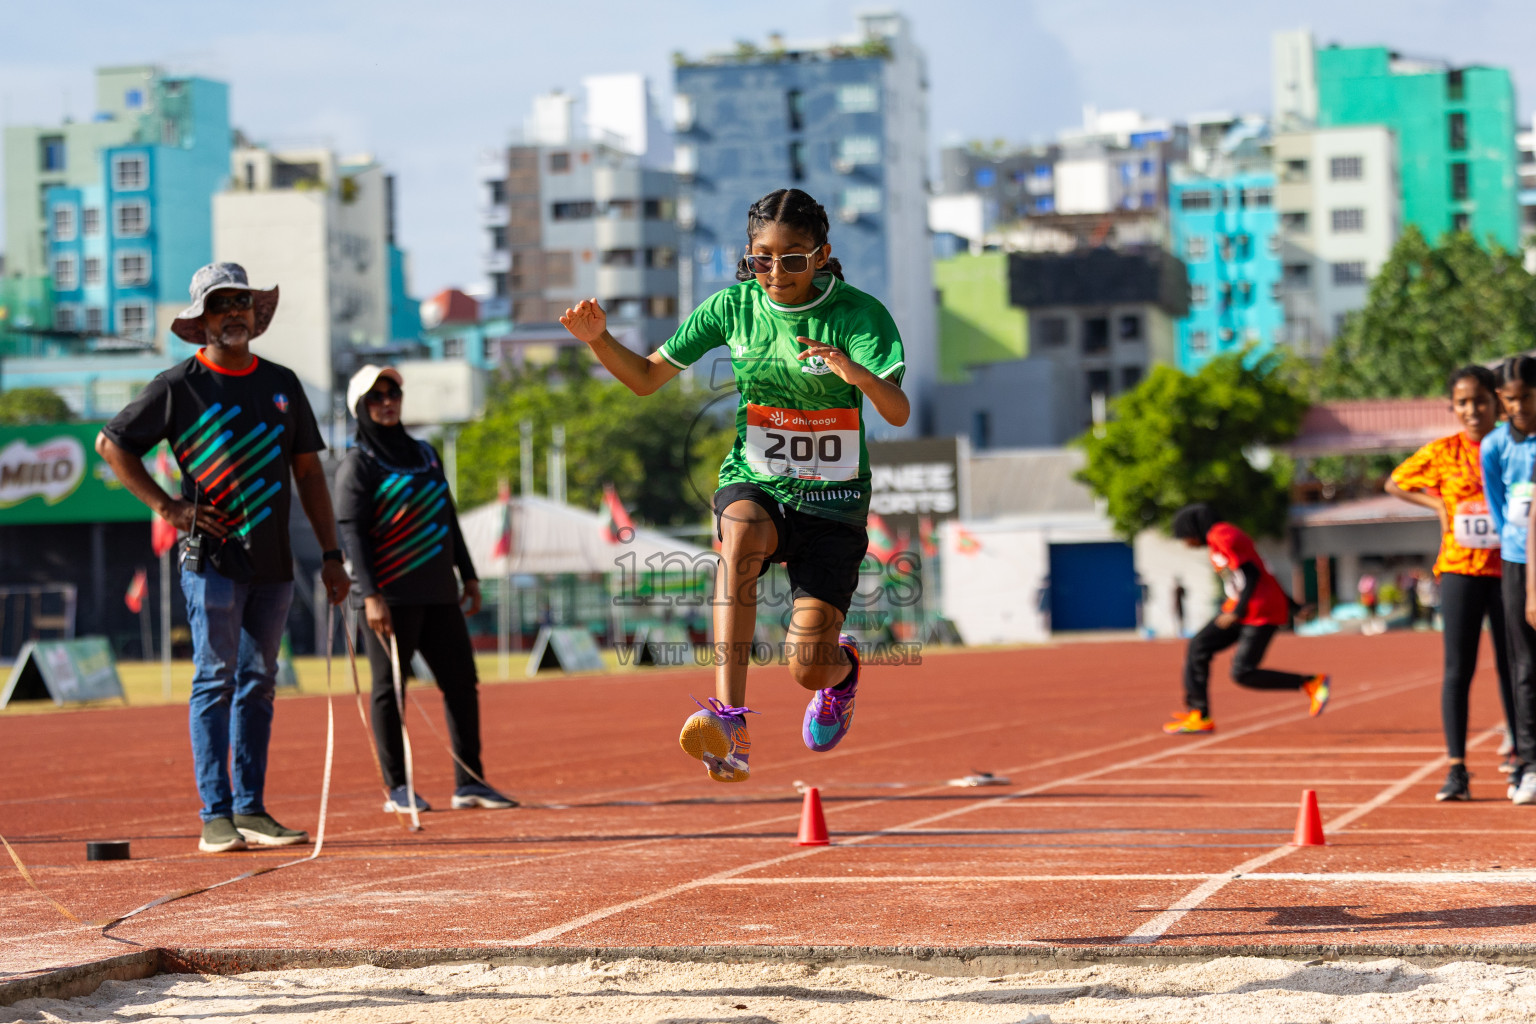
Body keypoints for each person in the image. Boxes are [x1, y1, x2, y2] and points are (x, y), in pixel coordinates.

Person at [559, 188, 908, 782]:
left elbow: (897, 410)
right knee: (739, 532)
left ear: (821, 254)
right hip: (757, 480)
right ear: (748, 257)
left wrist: (855, 373)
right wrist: (598, 340)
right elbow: (645, 379)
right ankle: (730, 720)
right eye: (761, 259)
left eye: (793, 258)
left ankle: (841, 671)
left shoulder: (859, 314)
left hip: (834, 504)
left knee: (807, 667)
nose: (776, 273)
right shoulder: (731, 307)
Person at [96, 263, 350, 853]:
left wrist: (333, 554)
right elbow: (112, 445)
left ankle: (252, 810)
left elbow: (310, 474)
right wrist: (169, 507)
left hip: (276, 565)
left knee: (260, 681)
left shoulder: (283, 383)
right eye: (221, 305)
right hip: (210, 560)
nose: (234, 313)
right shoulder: (177, 385)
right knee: (215, 678)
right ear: (202, 320)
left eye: (242, 302)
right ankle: (215, 814)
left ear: (255, 315)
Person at [334, 365, 516, 813]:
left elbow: (447, 517)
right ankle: (398, 789)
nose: (388, 401)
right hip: (388, 598)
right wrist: (371, 596)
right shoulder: (358, 464)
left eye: (393, 392)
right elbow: (351, 533)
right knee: (388, 690)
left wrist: (468, 574)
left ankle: (470, 783)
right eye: (376, 396)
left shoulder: (425, 454)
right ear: (361, 406)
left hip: (439, 592)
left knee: (461, 683)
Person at [1387, 364, 1512, 801]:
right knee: (1458, 670)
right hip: (1459, 569)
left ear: (1496, 402)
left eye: (1480, 400)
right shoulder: (1442, 452)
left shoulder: (1510, 445)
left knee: (1516, 668)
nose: (1472, 409)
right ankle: (1457, 768)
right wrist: (1436, 505)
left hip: (1508, 568)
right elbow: (1395, 482)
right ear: (1453, 408)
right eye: (1462, 402)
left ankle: (1521, 758)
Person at [1164, 503, 1330, 734]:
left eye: (1184, 537)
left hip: (1256, 612)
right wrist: (1293, 605)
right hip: (1244, 608)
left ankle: (1311, 682)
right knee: (1198, 647)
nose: (1185, 543)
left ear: (1192, 529)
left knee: (1242, 672)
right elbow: (1263, 572)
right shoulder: (1220, 538)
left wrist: (1237, 612)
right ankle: (1199, 715)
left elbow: (1251, 573)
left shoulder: (1222, 536)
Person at [1490, 354, 1536, 803]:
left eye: (1525, 397)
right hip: (1517, 560)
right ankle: (1529, 763)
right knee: (1524, 665)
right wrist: (1515, 544)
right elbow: (1498, 504)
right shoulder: (1495, 447)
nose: (1518, 406)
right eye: (1510, 400)